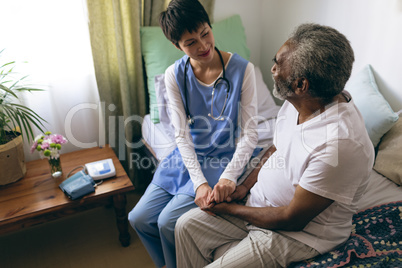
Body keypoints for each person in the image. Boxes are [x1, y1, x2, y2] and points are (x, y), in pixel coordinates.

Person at [175, 23, 375, 268]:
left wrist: (230, 209)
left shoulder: (340, 145)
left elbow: (292, 219)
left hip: (298, 234)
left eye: (278, 64)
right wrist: (245, 186)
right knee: (184, 226)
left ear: (301, 85)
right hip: (259, 203)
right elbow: (277, 147)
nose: (272, 69)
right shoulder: (302, 102)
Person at [128, 0, 259, 267]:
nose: (203, 46)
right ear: (177, 46)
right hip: (186, 156)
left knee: (167, 222)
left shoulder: (243, 70)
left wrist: (228, 178)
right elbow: (181, 135)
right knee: (137, 218)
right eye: (190, 42)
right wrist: (199, 183)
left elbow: (250, 134)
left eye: (205, 33)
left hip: (223, 157)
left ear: (210, 27)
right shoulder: (174, 75)